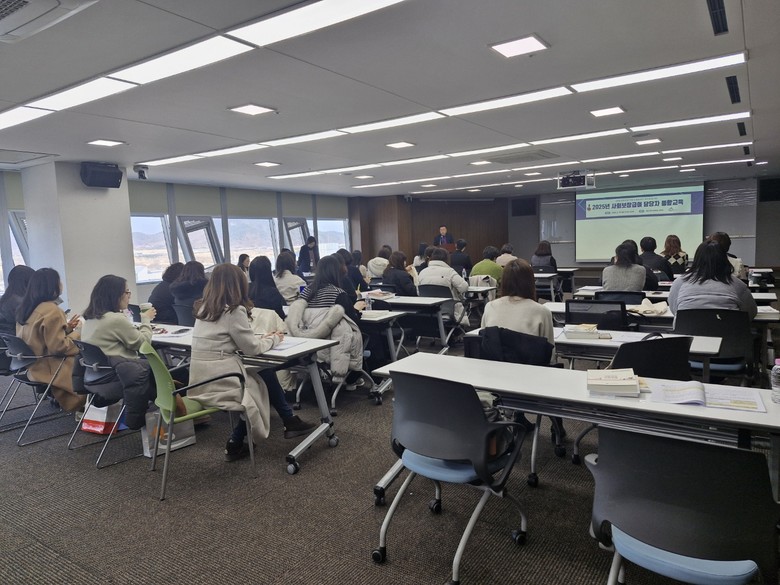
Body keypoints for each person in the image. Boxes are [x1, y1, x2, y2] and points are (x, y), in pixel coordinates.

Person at [189, 264, 314, 462]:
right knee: (259, 386)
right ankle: (238, 439)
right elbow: (253, 349)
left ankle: (287, 422)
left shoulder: (204, 308)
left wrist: (258, 340)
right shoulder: (233, 311)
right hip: (224, 378)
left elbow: (229, 340)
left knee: (264, 372)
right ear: (237, 284)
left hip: (200, 377)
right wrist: (275, 338)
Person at [81, 275, 158, 429]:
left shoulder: (89, 319)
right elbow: (143, 344)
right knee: (170, 374)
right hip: (123, 378)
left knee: (162, 374)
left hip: (97, 377)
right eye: (126, 292)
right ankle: (181, 418)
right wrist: (146, 320)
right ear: (115, 295)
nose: (129, 296)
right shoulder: (115, 319)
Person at [15, 268, 84, 412]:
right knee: (91, 359)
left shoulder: (27, 307)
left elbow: (40, 337)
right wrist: (78, 333)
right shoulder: (52, 310)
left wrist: (67, 329)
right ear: (52, 285)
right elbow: (59, 348)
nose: (61, 284)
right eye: (59, 281)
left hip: (33, 366)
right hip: (51, 367)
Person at [293, 255, 365, 388]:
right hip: (334, 345)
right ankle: (355, 376)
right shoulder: (338, 294)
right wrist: (356, 310)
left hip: (309, 345)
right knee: (366, 335)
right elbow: (352, 320)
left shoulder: (306, 292)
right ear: (336, 272)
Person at [481, 259, 556, 362]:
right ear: (531, 282)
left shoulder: (490, 307)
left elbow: (484, 342)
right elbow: (550, 355)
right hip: (530, 370)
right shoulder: (542, 312)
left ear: (504, 282)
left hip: (494, 368)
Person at [668, 240, 757, 319]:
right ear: (724, 260)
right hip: (727, 332)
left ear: (697, 260)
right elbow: (749, 314)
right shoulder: (738, 285)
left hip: (687, 332)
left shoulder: (679, 283)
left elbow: (674, 310)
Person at [418, 247, 469, 322]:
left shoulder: (422, 272)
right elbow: (464, 288)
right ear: (447, 259)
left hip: (428, 311)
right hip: (450, 311)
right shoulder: (450, 272)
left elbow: (418, 292)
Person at [248, 256, 286, 320]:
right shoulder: (273, 293)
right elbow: (280, 317)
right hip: (271, 325)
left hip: (250, 324)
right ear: (268, 271)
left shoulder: (245, 290)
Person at [0, 265, 34, 335]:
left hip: (6, 339)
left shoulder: (5, 299)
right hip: (17, 337)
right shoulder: (21, 303)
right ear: (28, 282)